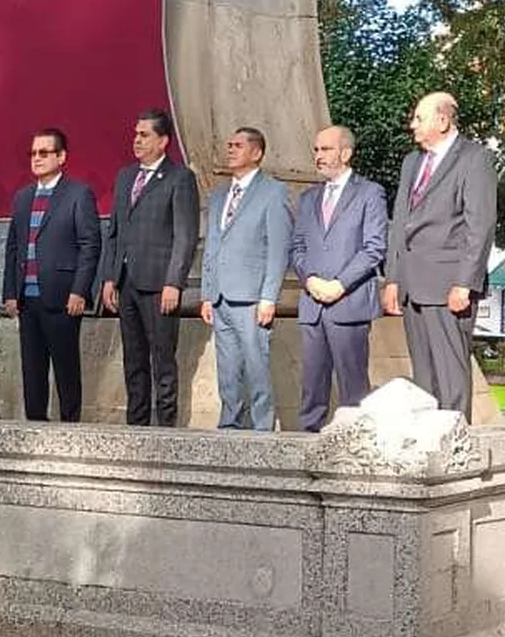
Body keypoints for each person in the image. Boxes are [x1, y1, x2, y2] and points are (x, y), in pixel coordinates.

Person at [383, 92, 497, 419]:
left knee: (450, 372)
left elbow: (480, 225)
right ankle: (425, 442)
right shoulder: (412, 163)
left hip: (448, 284)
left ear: (443, 120)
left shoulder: (474, 159)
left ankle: (453, 440)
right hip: (412, 282)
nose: (412, 125)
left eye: (419, 119)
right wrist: (393, 278)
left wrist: (465, 283)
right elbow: (400, 222)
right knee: (424, 374)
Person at [102, 109, 200, 426]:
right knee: (133, 360)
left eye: (144, 135)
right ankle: (137, 426)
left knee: (162, 360)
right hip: (127, 282)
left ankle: (166, 429)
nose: (137, 140)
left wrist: (174, 281)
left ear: (163, 141)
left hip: (159, 285)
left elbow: (185, 235)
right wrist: (109, 278)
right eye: (135, 134)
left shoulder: (179, 177)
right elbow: (115, 231)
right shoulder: (125, 176)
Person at [290, 126, 388, 432]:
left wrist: (339, 284)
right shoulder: (308, 198)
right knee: (312, 385)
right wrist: (310, 280)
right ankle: (308, 442)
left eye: (326, 149)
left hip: (349, 304)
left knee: (353, 387)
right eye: (316, 150)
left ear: (345, 153)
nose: (318, 156)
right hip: (313, 304)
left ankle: (355, 445)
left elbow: (374, 248)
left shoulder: (369, 193)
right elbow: (297, 247)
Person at [2, 128, 102, 423]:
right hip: (28, 300)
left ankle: (70, 429)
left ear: (61, 157)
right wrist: (10, 292)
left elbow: (90, 245)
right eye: (33, 153)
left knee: (66, 371)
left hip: (62, 298)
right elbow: (13, 248)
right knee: (32, 371)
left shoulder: (78, 194)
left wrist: (79, 290)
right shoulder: (22, 198)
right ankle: (35, 428)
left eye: (44, 153)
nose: (37, 159)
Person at [199, 126, 292, 430]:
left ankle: (262, 425)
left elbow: (278, 249)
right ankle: (230, 424)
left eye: (238, 145)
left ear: (257, 152)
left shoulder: (273, 192)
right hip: (221, 296)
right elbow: (213, 243)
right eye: (229, 144)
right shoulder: (218, 195)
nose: (231, 149)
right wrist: (206, 293)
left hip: (252, 296)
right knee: (227, 367)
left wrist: (269, 297)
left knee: (256, 364)